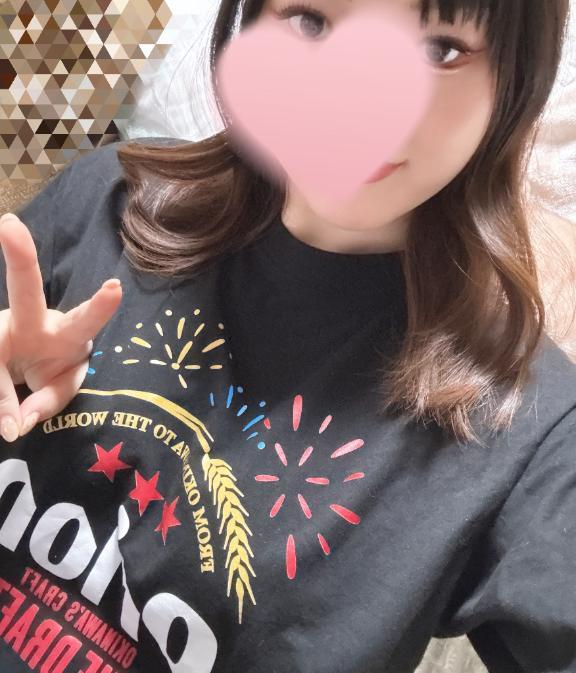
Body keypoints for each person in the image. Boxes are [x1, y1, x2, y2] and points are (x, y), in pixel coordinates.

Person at [0, 0, 575, 671]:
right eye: (310, 21)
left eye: (439, 49)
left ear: (514, 81)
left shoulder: (529, 426)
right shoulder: (112, 199)